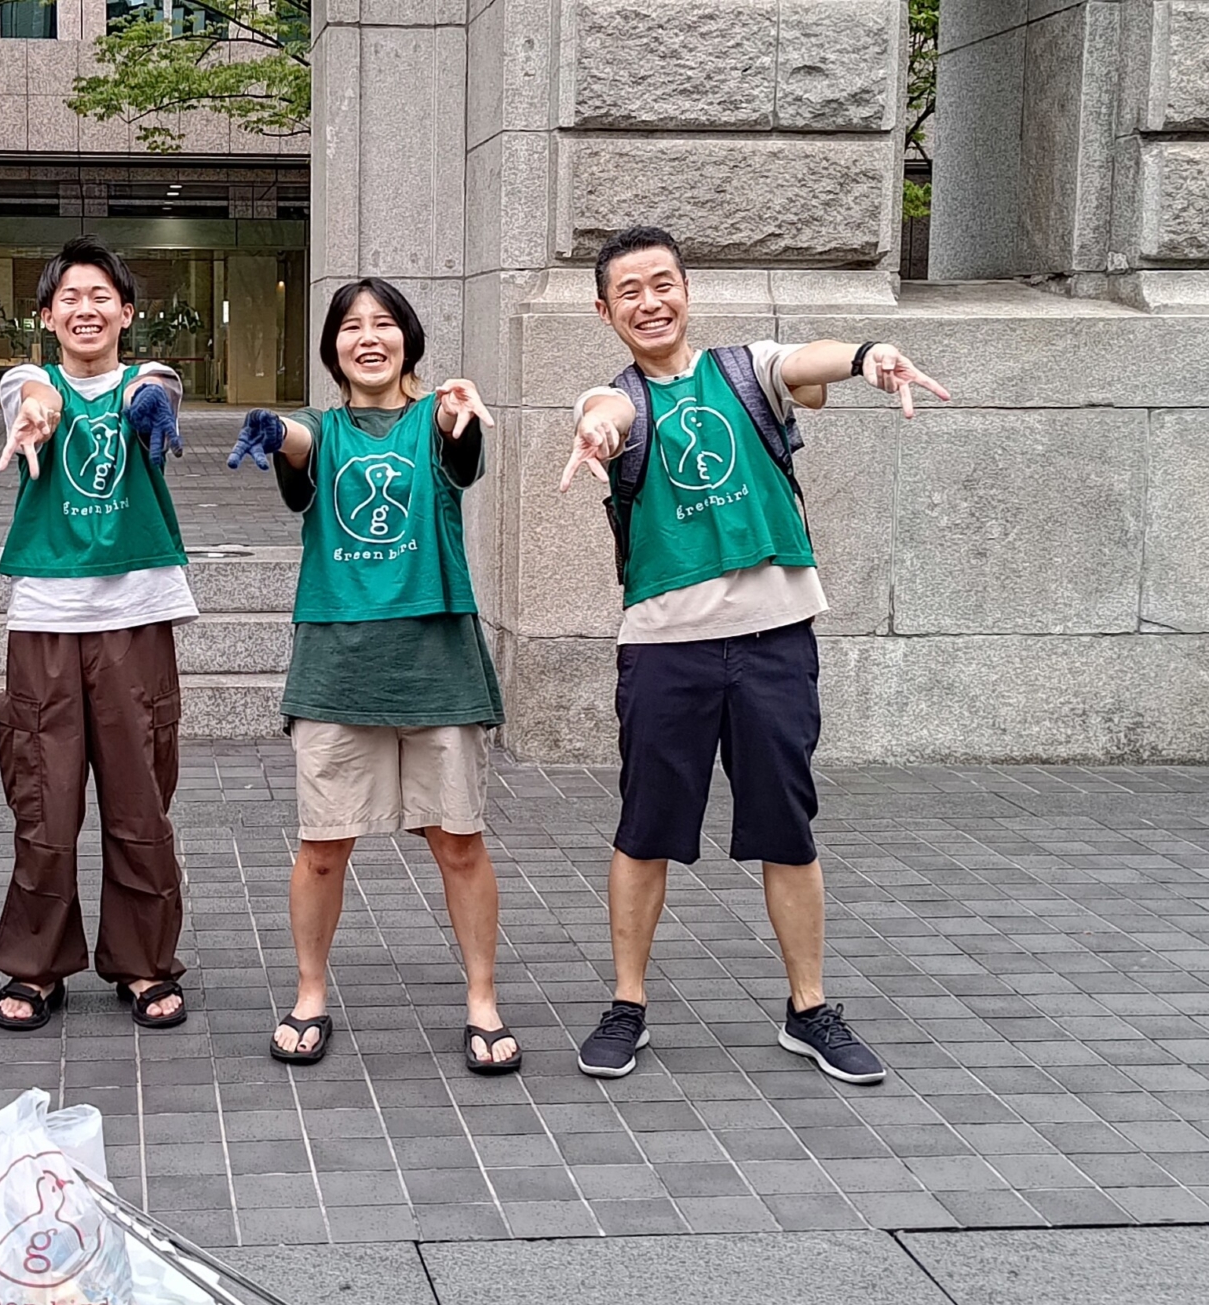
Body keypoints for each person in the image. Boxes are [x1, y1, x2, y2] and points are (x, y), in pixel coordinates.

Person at [556, 225, 950, 1085]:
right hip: (665, 646)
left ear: (687, 290)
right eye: (630, 291)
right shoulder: (617, 394)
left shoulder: (746, 371)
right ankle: (628, 1005)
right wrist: (595, 433)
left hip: (775, 639)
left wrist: (871, 353)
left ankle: (809, 1008)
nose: (650, 301)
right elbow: (606, 415)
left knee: (787, 827)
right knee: (646, 828)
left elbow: (810, 360)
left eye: (663, 283)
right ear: (605, 310)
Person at [227, 279, 510, 1071]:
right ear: (334, 348)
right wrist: (270, 427)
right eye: (351, 326)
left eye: (385, 323)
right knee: (323, 847)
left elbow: (460, 448)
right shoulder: (324, 430)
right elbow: (297, 441)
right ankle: (310, 992)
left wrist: (456, 415)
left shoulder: (438, 416)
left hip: (436, 664)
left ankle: (482, 999)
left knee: (459, 841)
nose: (369, 336)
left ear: (408, 340)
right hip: (337, 665)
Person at [0, 236, 196, 1033]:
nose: (85, 308)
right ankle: (36, 965)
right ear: (46, 317)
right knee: (44, 798)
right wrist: (39, 412)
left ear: (127, 312)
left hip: (136, 614)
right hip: (45, 615)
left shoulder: (151, 383)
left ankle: (143, 961)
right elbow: (30, 395)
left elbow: (158, 392)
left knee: (141, 798)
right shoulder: (25, 383)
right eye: (68, 297)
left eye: (101, 296)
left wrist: (149, 400)